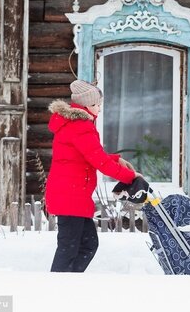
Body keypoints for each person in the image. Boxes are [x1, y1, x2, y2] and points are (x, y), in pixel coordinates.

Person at [46, 79, 138, 272]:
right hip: (71, 196)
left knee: (85, 244)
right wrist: (130, 177)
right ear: (85, 105)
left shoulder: (73, 124)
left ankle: (68, 283)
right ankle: (57, 287)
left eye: (100, 104)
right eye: (96, 104)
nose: (99, 109)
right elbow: (99, 162)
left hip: (72, 194)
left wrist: (116, 160)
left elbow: (88, 156)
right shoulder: (80, 126)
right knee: (70, 248)